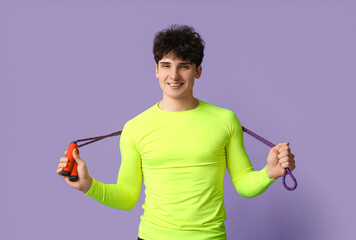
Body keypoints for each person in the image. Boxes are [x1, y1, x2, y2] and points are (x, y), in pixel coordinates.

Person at [57, 24, 296, 240]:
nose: (174, 75)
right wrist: (88, 185)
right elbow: (127, 196)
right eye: (166, 66)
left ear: (197, 71)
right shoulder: (135, 127)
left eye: (184, 66)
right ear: (156, 70)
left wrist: (269, 173)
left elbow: (244, 183)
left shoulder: (225, 120)